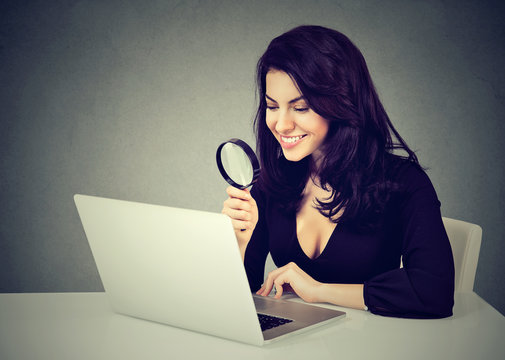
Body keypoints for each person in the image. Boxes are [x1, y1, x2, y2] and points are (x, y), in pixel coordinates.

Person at [221, 25, 455, 318]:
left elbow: (434, 291)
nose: (281, 125)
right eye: (271, 106)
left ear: (342, 103)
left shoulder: (403, 182)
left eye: (301, 107)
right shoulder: (273, 181)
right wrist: (238, 242)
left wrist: (320, 291)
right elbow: (241, 298)